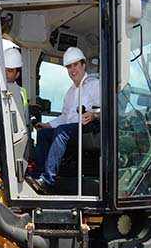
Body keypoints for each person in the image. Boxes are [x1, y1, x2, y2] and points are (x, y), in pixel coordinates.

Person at [27, 47, 100, 194]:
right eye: (69, 67)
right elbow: (65, 116)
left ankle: (48, 180)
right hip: (71, 129)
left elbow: (105, 108)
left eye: (75, 65)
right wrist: (47, 125)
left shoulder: (94, 84)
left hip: (88, 127)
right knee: (43, 134)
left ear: (83, 65)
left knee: (61, 132)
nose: (72, 70)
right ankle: (38, 177)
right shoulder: (70, 92)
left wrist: (94, 115)